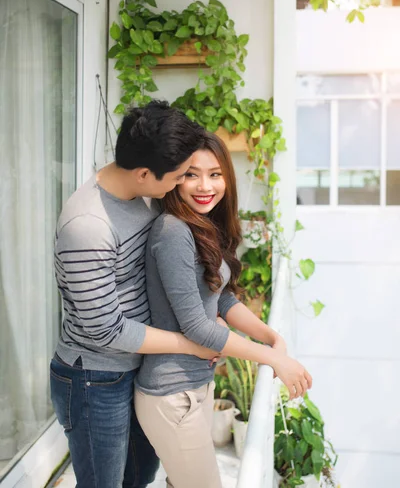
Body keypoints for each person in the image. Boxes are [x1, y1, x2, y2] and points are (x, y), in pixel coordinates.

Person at [50, 101, 218, 488]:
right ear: (144, 173)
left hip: (138, 367)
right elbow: (106, 331)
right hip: (94, 378)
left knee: (138, 477)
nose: (180, 184)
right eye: (177, 176)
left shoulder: (140, 193)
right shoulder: (88, 226)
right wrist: (189, 343)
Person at [134, 132, 312, 488]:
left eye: (215, 174)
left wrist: (270, 335)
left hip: (197, 385)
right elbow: (198, 327)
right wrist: (270, 357)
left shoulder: (204, 225)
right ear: (175, 177)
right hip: (172, 394)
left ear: (227, 177)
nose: (205, 185)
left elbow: (223, 298)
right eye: (191, 173)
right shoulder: (172, 231)